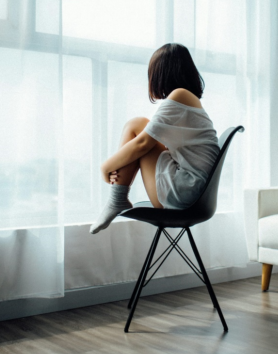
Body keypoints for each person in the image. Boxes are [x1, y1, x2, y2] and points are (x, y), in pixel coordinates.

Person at [90, 43, 220, 234]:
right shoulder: (188, 100)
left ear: (161, 73)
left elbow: (143, 144)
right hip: (193, 192)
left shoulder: (180, 95)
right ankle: (117, 198)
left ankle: (117, 199)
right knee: (139, 125)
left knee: (136, 127)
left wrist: (105, 167)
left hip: (185, 194)